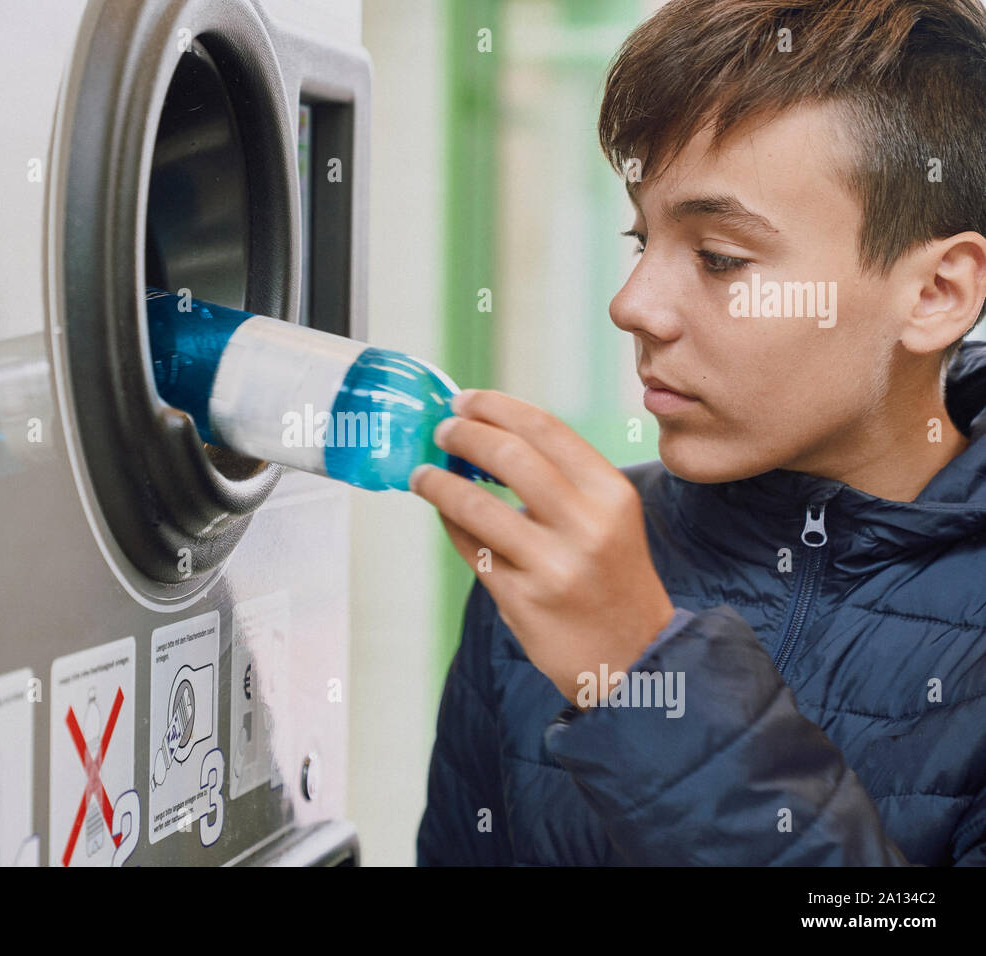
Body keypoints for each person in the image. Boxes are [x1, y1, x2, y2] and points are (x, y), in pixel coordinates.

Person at [411, 0, 986, 865]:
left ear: (936, 293)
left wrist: (646, 679)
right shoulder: (564, 566)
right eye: (641, 238)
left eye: (720, 257)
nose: (631, 305)